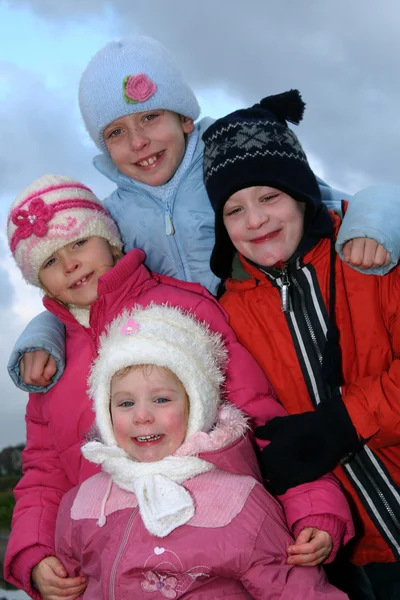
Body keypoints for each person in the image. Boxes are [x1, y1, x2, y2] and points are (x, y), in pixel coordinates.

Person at [4, 175, 353, 600]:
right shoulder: (48, 363)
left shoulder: (180, 308)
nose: (70, 264)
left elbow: (258, 414)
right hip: (109, 569)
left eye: (79, 243)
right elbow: (44, 469)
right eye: (49, 262)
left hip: (216, 556)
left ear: (110, 241)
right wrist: (35, 552)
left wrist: (313, 505)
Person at [7, 35, 396, 394]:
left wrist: (371, 225)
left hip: (276, 348)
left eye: (149, 118)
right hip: (192, 374)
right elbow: (86, 291)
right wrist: (42, 336)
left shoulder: (234, 167)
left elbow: (333, 202)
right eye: (116, 133)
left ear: (185, 118)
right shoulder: (112, 218)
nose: (138, 141)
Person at [202, 89, 400, 600]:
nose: (256, 221)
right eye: (234, 209)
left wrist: (343, 422)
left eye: (270, 197)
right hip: (358, 550)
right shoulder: (231, 314)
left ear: (301, 194)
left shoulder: (368, 256)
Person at [55, 303, 349, 599]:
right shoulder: (81, 502)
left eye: (161, 399)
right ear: (105, 415)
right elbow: (73, 585)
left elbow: (295, 589)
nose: (141, 416)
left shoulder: (238, 501)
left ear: (196, 406)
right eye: (126, 403)